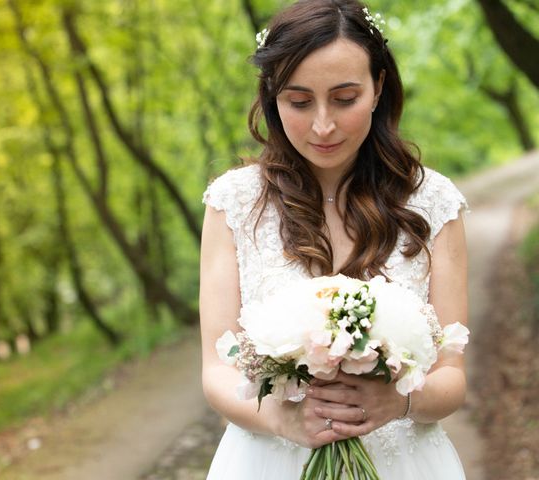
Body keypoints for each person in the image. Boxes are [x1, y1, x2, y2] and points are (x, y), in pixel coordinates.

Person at [199, 0, 469, 478]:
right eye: (299, 102)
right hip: (268, 459)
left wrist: (400, 401)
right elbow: (217, 370)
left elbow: (452, 375)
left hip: (404, 461)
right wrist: (284, 420)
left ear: (378, 87)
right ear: (271, 97)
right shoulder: (234, 203)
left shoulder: (433, 202)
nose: (322, 125)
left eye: (345, 98)